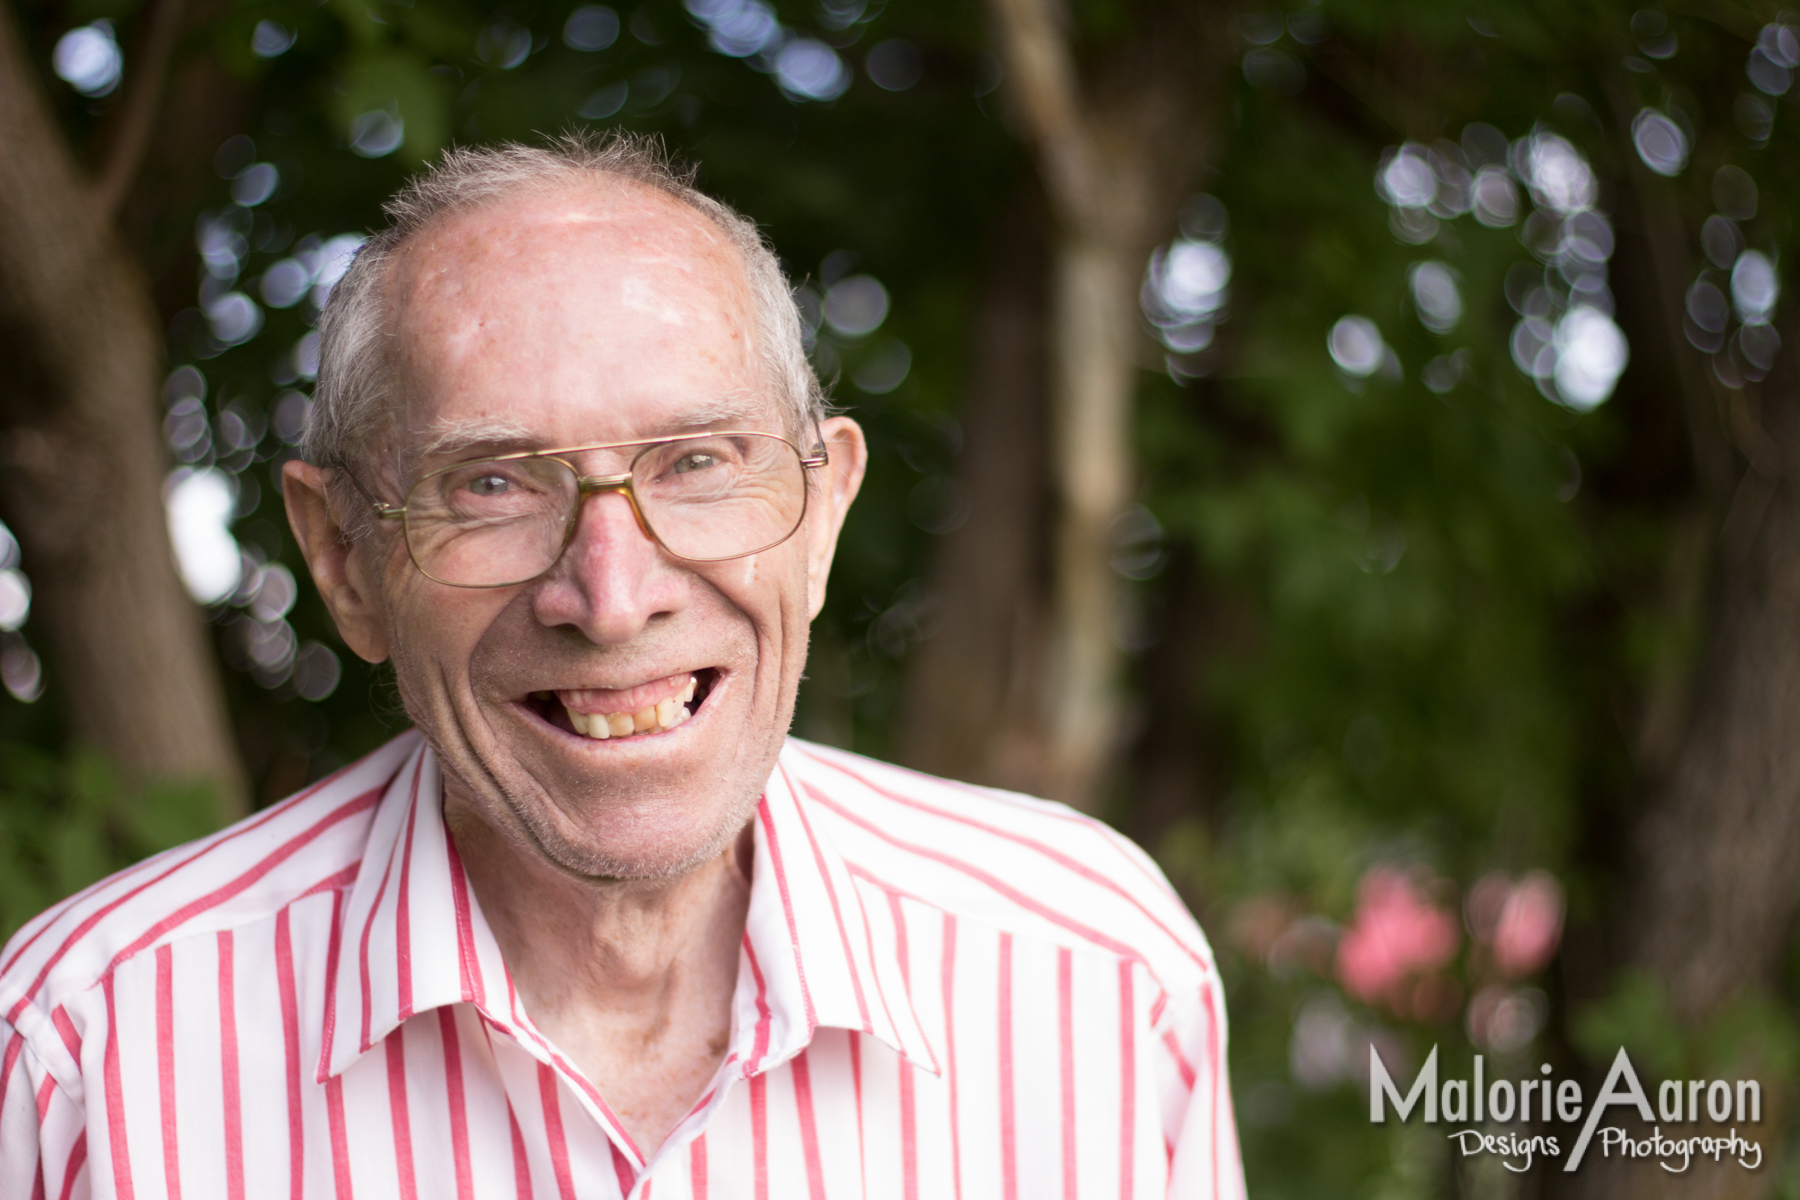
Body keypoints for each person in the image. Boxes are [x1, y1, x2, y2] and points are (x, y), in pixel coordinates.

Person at [0, 134, 1243, 1199]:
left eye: (697, 462)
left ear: (821, 515)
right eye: (490, 483)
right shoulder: (82, 1054)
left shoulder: (1102, 973)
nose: (610, 595)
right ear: (342, 560)